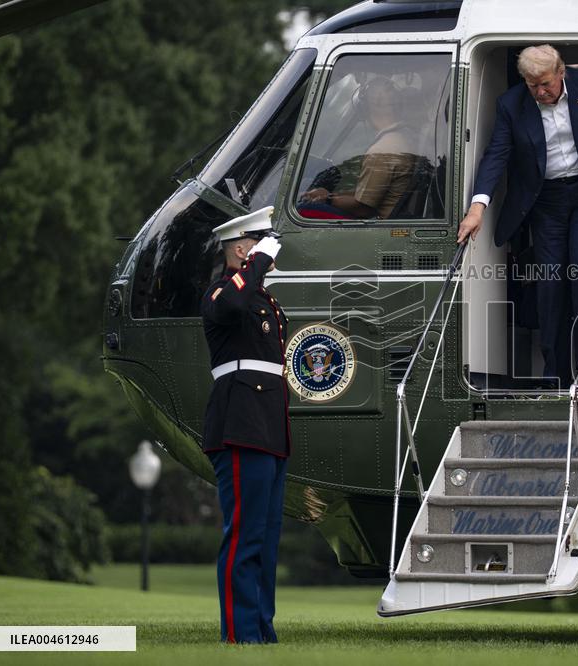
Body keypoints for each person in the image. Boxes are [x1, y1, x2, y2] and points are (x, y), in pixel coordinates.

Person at [457, 45, 578, 386]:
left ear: (561, 72)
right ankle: (555, 373)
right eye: (532, 85)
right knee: (550, 284)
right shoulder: (511, 104)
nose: (540, 92)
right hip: (545, 201)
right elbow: (496, 155)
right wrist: (477, 207)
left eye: (546, 84)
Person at [201, 205, 290, 644]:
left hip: (269, 425)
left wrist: (257, 267)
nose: (269, 251)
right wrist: (256, 263)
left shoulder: (263, 299)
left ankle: (261, 630)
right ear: (241, 249)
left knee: (267, 538)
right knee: (244, 535)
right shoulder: (222, 292)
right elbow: (232, 303)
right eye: (259, 242)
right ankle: (239, 633)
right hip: (240, 421)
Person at [299, 77, 419, 219]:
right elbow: (368, 194)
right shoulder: (404, 136)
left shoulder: (381, 151)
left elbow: (363, 208)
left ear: (365, 107)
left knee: (304, 209)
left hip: (377, 224)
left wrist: (327, 199)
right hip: (390, 217)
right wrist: (331, 195)